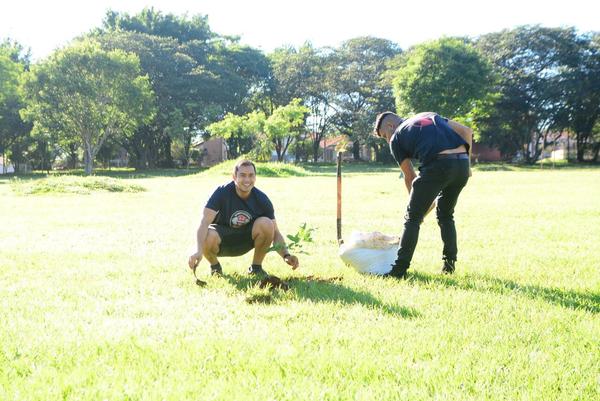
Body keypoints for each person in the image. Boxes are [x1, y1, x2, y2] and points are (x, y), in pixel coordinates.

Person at [373, 111, 473, 278]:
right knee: (446, 215)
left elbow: (410, 176)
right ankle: (449, 266)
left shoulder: (397, 137)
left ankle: (398, 271)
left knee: (412, 218)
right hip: (461, 164)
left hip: (438, 165)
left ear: (390, 126)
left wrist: (416, 212)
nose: (387, 140)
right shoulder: (429, 115)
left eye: (384, 136)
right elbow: (467, 132)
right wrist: (467, 166)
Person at [188, 159, 299, 277]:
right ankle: (215, 268)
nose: (247, 180)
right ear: (234, 177)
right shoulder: (221, 193)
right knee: (207, 234)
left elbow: (275, 232)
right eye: (242, 175)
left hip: (246, 240)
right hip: (221, 240)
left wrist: (286, 255)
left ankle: (256, 268)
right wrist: (198, 250)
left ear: (255, 177)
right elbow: (204, 222)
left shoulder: (262, 199)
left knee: (267, 224)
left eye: (251, 175)